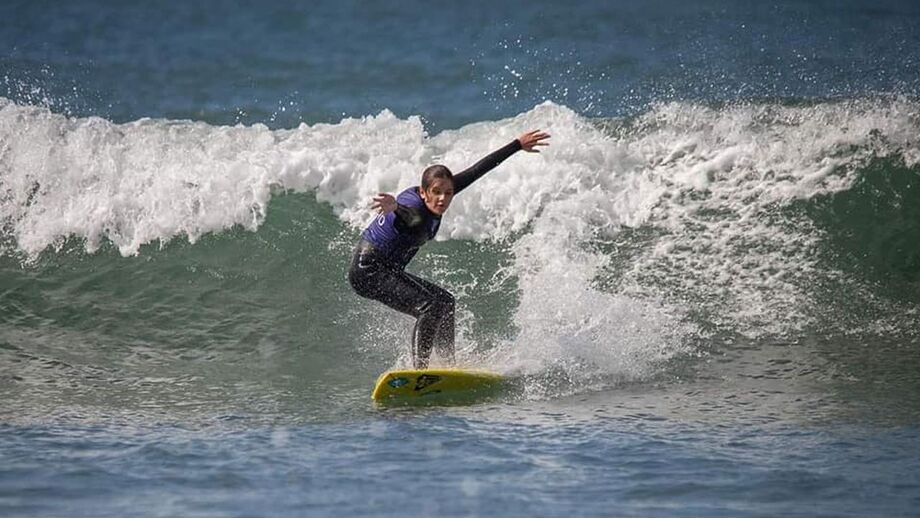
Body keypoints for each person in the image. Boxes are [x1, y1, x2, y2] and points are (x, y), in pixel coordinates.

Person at [348, 129, 551, 369]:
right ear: (423, 193)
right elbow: (410, 217)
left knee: (445, 302)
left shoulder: (439, 196)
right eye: (436, 193)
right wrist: (394, 207)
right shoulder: (415, 210)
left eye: (448, 192)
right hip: (368, 271)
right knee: (429, 306)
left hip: (387, 270)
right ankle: (420, 371)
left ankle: (446, 365)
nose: (443, 199)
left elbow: (478, 170)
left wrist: (517, 144)